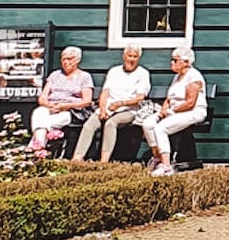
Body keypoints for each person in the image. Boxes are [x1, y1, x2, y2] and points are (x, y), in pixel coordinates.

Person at [74, 45, 151, 162]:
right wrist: (103, 109)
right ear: (124, 56)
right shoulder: (114, 71)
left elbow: (139, 98)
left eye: (135, 57)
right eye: (129, 56)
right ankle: (77, 158)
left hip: (129, 110)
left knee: (110, 123)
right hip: (108, 107)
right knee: (89, 125)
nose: (131, 59)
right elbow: (105, 92)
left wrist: (121, 103)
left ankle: (103, 161)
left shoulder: (143, 73)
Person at [141, 45, 207, 176]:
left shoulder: (194, 77)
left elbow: (190, 103)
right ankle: (158, 158)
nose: (172, 63)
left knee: (161, 128)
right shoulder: (177, 77)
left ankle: (166, 167)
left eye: (175, 60)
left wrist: (171, 111)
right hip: (174, 111)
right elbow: (169, 98)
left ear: (186, 63)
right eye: (172, 59)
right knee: (148, 124)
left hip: (193, 112)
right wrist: (163, 110)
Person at [29, 46, 94, 155]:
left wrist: (64, 106)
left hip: (71, 111)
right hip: (50, 107)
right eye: (63, 59)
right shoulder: (55, 75)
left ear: (77, 60)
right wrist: (49, 105)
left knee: (45, 123)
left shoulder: (84, 76)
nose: (65, 62)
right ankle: (40, 149)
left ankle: (37, 149)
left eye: (69, 59)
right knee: (38, 112)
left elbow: (87, 101)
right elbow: (42, 97)